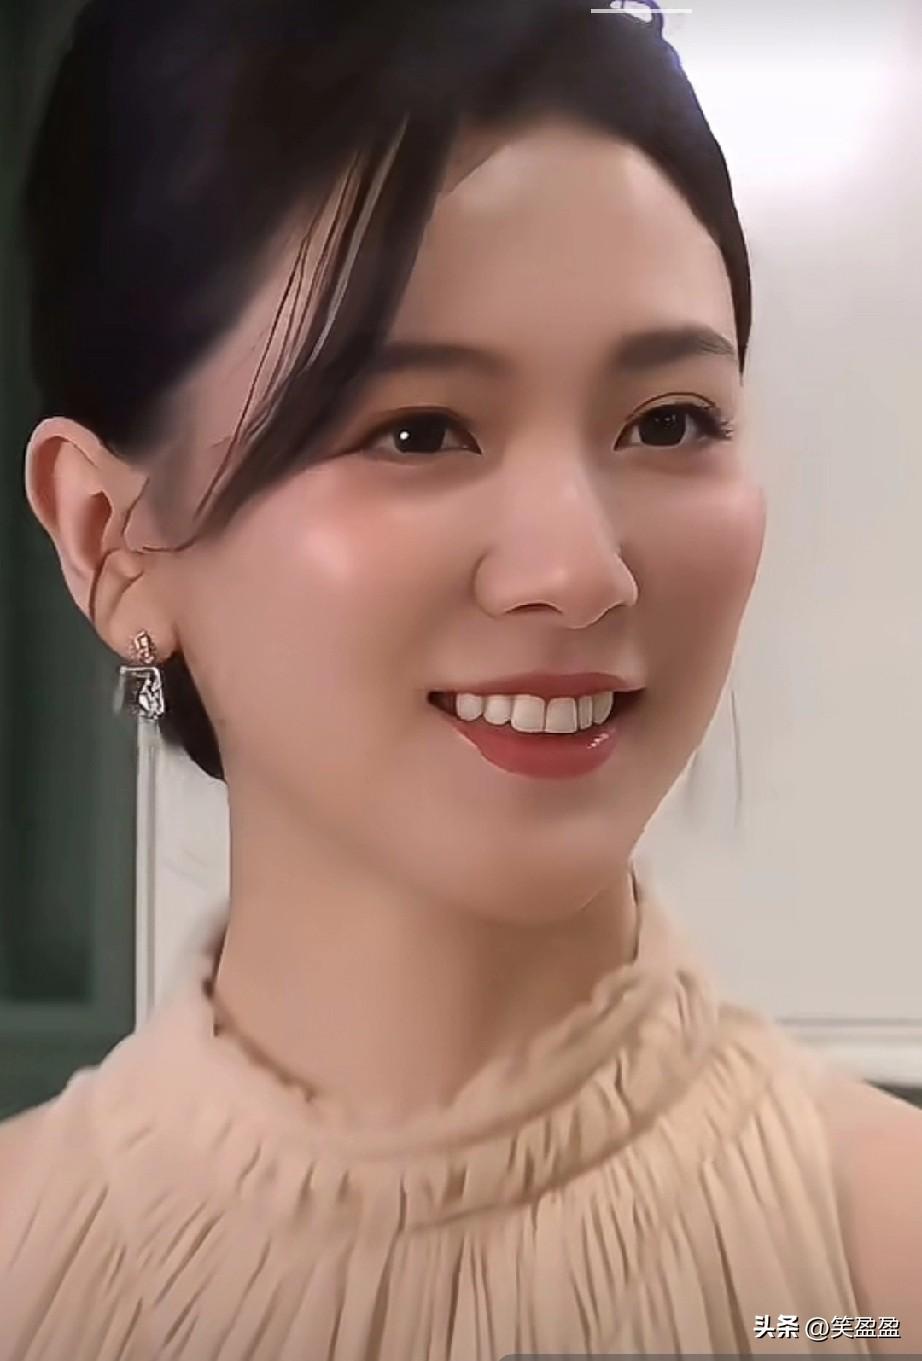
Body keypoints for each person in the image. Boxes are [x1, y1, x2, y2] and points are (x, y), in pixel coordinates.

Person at [1, 0, 920, 1355]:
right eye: (419, 432)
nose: (581, 569)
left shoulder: (873, 1276)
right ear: (109, 539)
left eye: (669, 420)